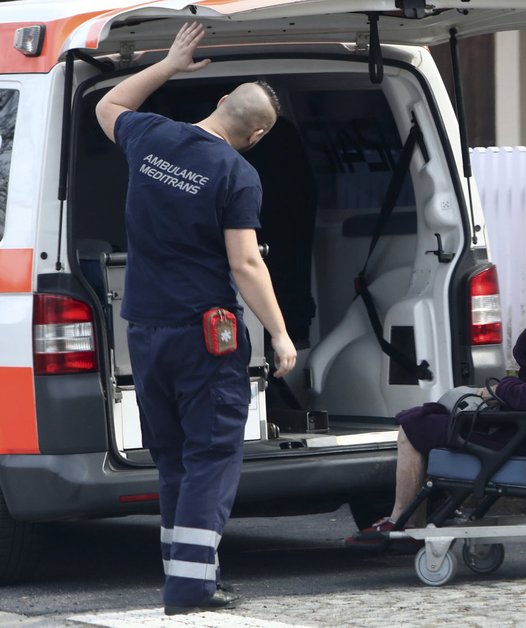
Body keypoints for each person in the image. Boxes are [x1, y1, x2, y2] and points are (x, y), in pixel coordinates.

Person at [95, 23, 297, 615]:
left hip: (145, 331)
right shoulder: (238, 175)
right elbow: (245, 262)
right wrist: (281, 335)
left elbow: (109, 103)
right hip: (204, 336)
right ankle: (189, 589)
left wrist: (171, 62)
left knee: (176, 457)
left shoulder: (150, 136)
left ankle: (187, 575)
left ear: (216, 104)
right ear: (256, 134)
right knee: (212, 455)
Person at [348, 256, 526, 541]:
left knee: (414, 425)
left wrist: (497, 391)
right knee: (437, 411)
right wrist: (500, 392)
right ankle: (419, 517)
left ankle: (402, 522)